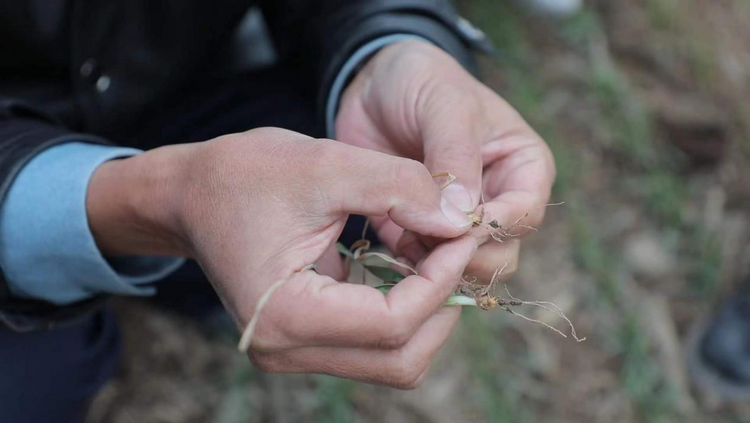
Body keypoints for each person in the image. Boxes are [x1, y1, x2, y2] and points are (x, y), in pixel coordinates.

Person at [0, 1, 556, 421]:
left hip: (172, 85)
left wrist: (393, 41)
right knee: (30, 387)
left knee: (375, 179)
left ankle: (198, 258)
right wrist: (157, 198)